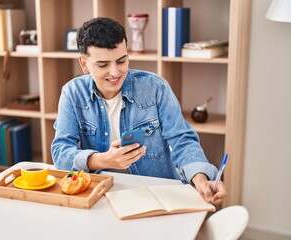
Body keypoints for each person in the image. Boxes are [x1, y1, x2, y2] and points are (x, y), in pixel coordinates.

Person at [51, 17, 226, 205]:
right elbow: (61, 152)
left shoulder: (155, 88)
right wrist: (103, 160)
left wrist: (201, 180)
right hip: (102, 196)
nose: (115, 72)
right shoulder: (72, 93)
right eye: (103, 65)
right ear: (84, 64)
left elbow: (182, 139)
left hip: (156, 194)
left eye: (121, 61)